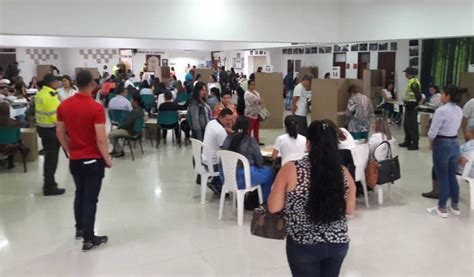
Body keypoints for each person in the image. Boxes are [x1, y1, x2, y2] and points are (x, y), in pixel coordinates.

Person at [268, 120, 356, 276]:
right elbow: (349, 210)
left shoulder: (290, 169)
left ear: (308, 144)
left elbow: (274, 207)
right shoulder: (342, 172)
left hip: (303, 244)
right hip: (338, 242)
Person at [56, 70, 111, 251]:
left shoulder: (64, 106)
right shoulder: (96, 108)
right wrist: (107, 158)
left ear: (75, 84)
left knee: (80, 193)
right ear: (92, 85)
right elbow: (101, 139)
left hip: (75, 160)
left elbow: (60, 133)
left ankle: (80, 229)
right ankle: (89, 238)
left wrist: (69, 149)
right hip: (93, 160)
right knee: (90, 199)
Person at [426, 85, 465, 218]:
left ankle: (441, 207)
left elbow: (432, 131)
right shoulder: (459, 110)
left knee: (442, 176)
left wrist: (431, 143)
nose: (441, 96)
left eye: (442, 94)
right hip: (455, 143)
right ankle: (455, 206)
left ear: (448, 96)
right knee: (451, 175)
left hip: (442, 143)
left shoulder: (441, 111)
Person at [222, 116, 275, 201]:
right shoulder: (250, 141)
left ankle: (254, 198)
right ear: (248, 127)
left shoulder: (227, 139)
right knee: (270, 172)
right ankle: (263, 201)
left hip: (226, 177)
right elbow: (259, 162)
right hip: (243, 179)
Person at [35, 73, 65, 196]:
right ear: (52, 83)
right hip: (51, 131)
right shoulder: (50, 96)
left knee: (49, 158)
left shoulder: (40, 93)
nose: (59, 83)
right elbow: (55, 117)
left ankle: (47, 183)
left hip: (42, 129)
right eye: (57, 81)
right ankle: (49, 186)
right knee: (51, 160)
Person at [202, 108, 234, 194]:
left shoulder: (211, 123)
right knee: (235, 160)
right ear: (221, 117)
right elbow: (225, 150)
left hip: (205, 159)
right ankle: (219, 183)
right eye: (227, 119)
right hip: (213, 164)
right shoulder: (220, 131)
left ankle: (217, 182)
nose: (230, 122)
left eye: (231, 120)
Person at [399, 67, 422, 151]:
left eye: (406, 73)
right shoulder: (411, 81)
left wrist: (416, 103)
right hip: (408, 106)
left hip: (412, 107)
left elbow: (418, 95)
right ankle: (407, 141)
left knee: (412, 126)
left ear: (409, 73)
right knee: (406, 125)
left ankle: (415, 144)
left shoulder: (414, 83)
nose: (405, 74)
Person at [244, 79, 262, 144]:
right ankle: (247, 141)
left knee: (256, 128)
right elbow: (253, 102)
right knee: (249, 128)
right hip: (250, 113)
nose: (253, 86)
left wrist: (259, 102)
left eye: (254, 84)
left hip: (257, 112)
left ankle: (256, 141)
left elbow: (259, 101)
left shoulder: (256, 92)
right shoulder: (247, 93)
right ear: (248, 85)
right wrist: (258, 102)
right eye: (252, 84)